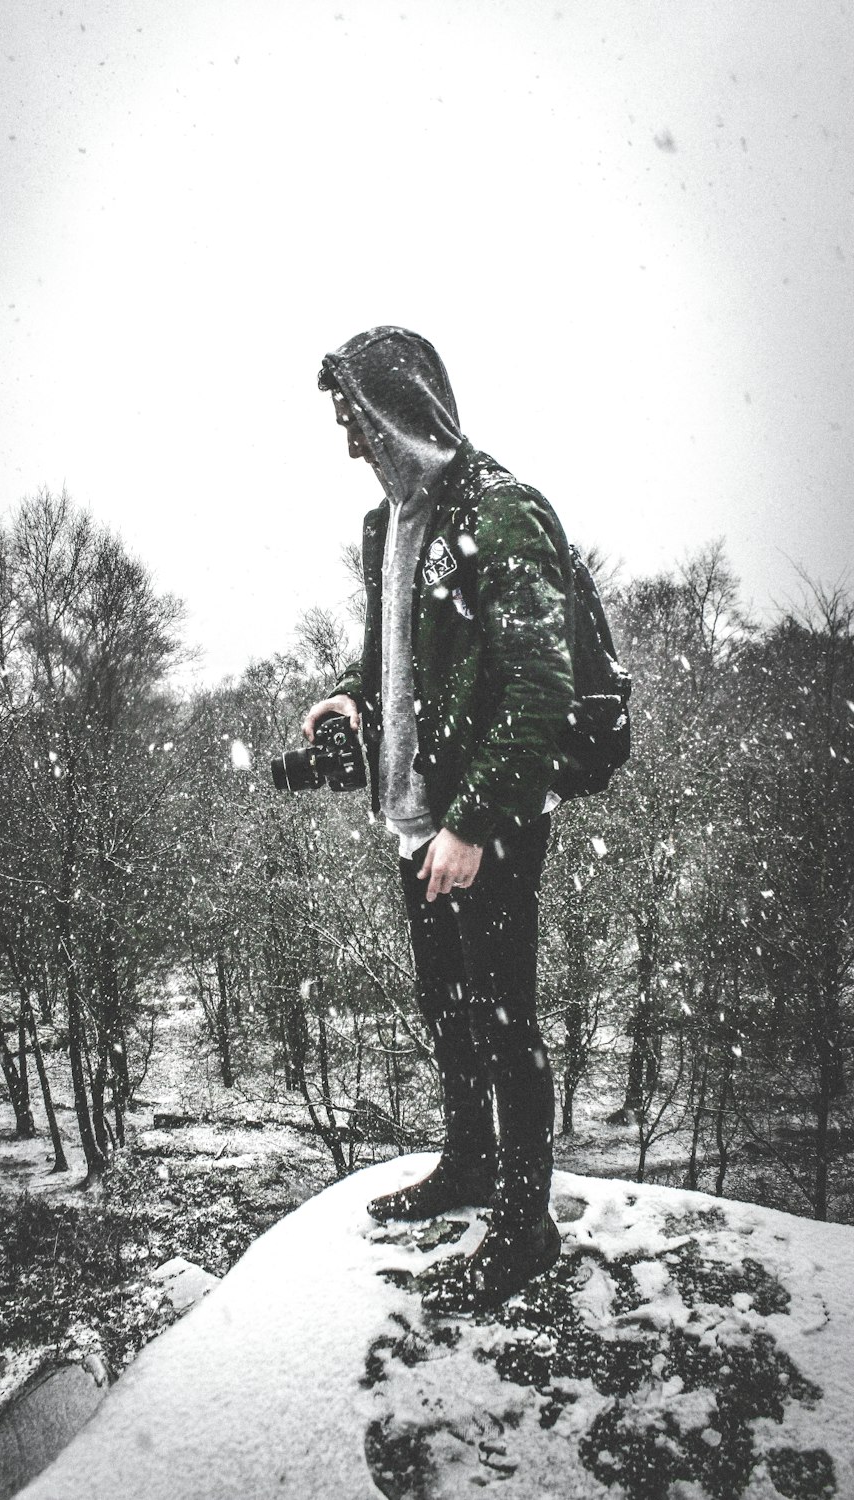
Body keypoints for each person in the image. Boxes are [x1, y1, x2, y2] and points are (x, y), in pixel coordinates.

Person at [303, 326, 576, 1314]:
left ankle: (524, 1226)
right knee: (445, 1008)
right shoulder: (390, 526)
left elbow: (541, 688)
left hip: (487, 817)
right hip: (422, 819)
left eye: (357, 423)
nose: (349, 446)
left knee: (506, 1022)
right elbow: (391, 654)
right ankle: (466, 1167)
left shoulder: (499, 513)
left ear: (402, 414)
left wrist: (471, 822)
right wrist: (346, 699)